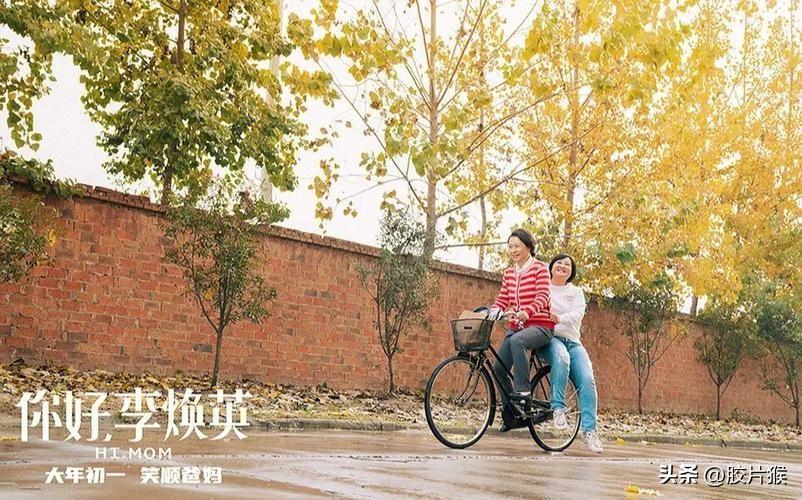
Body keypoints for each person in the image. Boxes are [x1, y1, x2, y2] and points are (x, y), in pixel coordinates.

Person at [489, 229, 555, 432]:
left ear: (528, 246)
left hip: (541, 326)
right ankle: (513, 415)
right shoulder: (509, 273)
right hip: (517, 327)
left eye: (517, 246)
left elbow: (543, 296)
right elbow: (503, 298)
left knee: (518, 341)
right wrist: (493, 311)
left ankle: (523, 393)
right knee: (498, 369)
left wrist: (528, 311)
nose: (513, 250)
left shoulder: (540, 268)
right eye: (510, 246)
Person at [540, 253, 603, 453]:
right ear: (551, 267)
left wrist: (559, 318)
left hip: (573, 342)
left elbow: (577, 315)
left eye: (567, 264)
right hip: (550, 339)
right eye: (559, 262)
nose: (562, 266)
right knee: (562, 357)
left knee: (588, 380)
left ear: (571, 272)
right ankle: (558, 408)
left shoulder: (576, 292)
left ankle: (589, 431)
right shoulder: (543, 288)